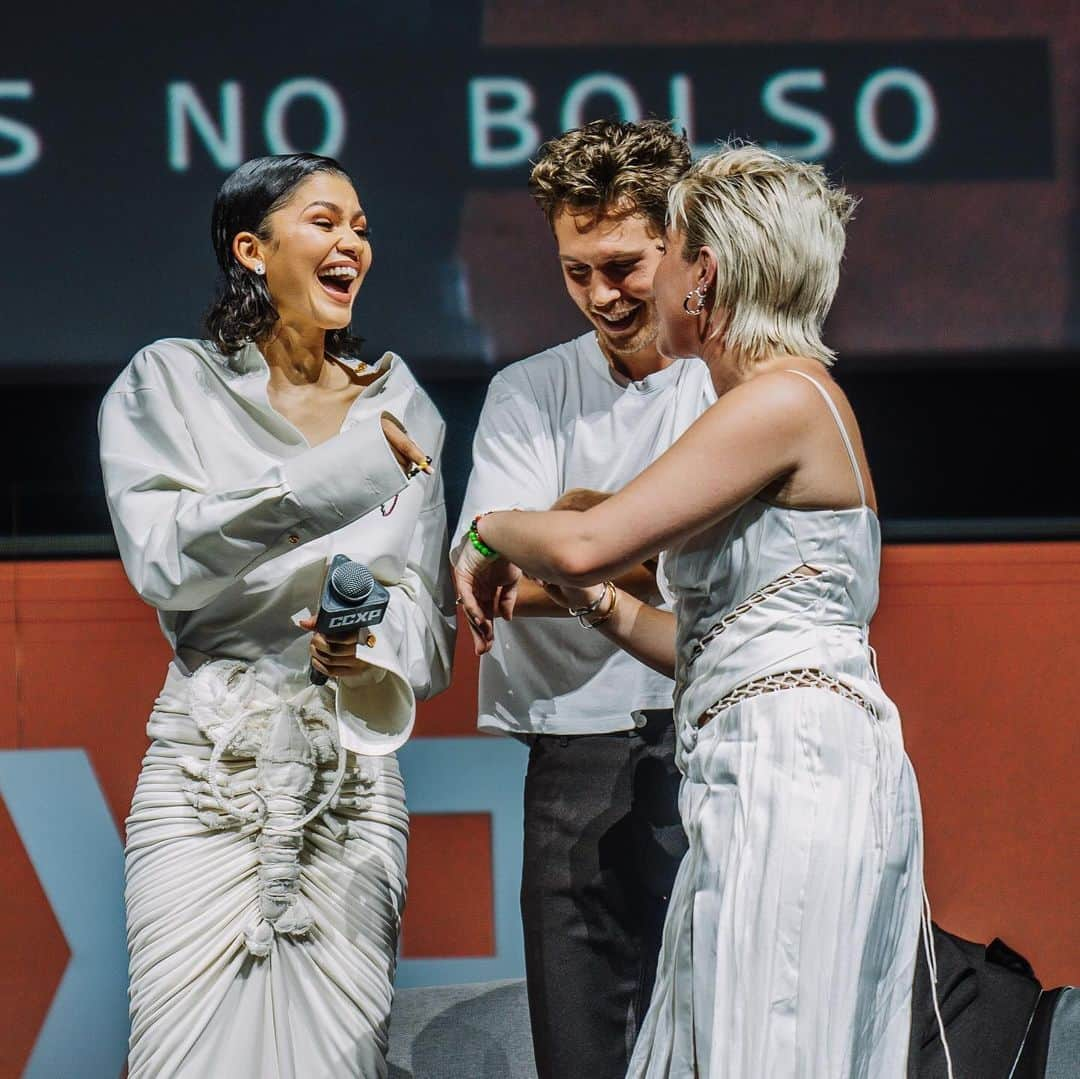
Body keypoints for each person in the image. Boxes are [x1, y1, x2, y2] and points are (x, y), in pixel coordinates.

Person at [455, 143, 925, 1077]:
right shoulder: (765, 398)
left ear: (701, 271)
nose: (618, 291)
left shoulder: (777, 399)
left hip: (794, 766)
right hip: (757, 755)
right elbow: (706, 639)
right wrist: (598, 604)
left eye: (657, 253)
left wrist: (490, 530)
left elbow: (591, 541)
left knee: (771, 1043)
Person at [99, 153, 456, 1077]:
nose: (353, 244)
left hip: (349, 778)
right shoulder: (169, 383)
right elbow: (163, 557)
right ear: (252, 249)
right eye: (327, 222)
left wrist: (365, 643)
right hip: (206, 767)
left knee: (337, 1057)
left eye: (363, 227)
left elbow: (428, 618)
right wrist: (343, 479)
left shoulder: (399, 402)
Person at [452, 119, 715, 1079]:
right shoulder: (527, 391)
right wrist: (632, 541)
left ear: (684, 242)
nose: (601, 295)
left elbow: (714, 559)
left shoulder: (737, 380)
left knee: (734, 1039)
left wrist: (576, 529)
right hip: (571, 746)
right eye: (576, 271)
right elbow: (498, 577)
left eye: (622, 265)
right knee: (581, 1050)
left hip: (712, 734)